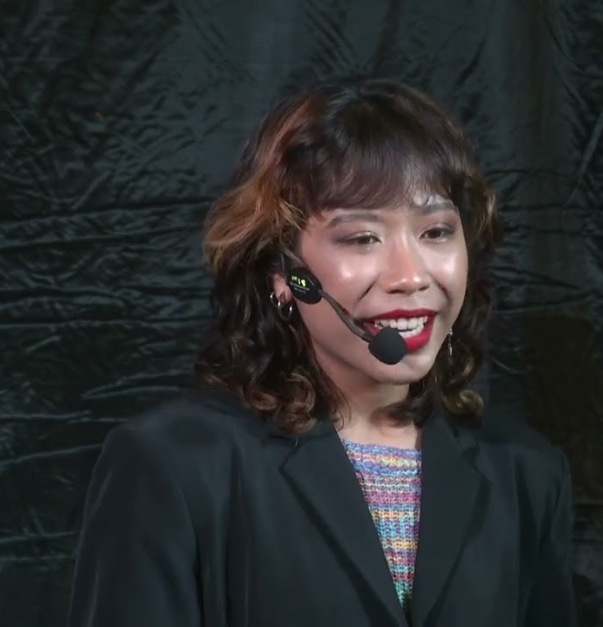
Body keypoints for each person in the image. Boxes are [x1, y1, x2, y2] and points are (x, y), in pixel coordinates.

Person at [67, 77, 576, 627]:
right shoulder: (173, 463)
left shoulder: (526, 472)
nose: (410, 277)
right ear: (284, 275)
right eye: (362, 238)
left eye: (435, 232)